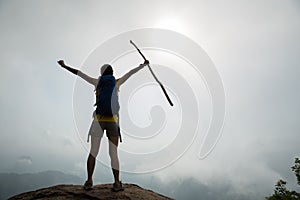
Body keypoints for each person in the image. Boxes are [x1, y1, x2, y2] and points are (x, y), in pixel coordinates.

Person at [57, 59, 149, 191]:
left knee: (93, 152)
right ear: (112, 73)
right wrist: (143, 65)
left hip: (98, 121)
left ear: (101, 73)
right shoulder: (116, 82)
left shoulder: (97, 82)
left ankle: (89, 181)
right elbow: (130, 73)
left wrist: (64, 66)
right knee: (113, 153)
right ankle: (117, 183)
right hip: (112, 121)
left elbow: (79, 73)